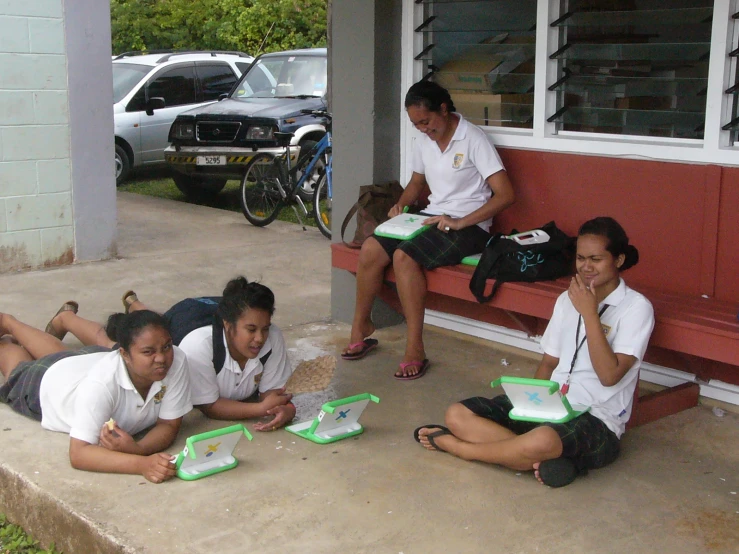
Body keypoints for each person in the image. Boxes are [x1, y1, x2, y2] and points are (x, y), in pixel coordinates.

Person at [413, 217, 654, 487]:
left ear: (618, 260)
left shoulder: (636, 308)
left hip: (596, 419)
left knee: (542, 439)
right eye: (580, 258)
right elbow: (549, 362)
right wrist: (531, 407)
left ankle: (462, 449)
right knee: (458, 415)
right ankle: (535, 457)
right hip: (551, 405)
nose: (586, 267)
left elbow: (610, 376)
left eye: (596, 259)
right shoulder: (567, 299)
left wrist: (589, 313)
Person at [341, 80, 515, 379]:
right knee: (371, 247)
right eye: (415, 124)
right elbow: (417, 183)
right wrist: (401, 206)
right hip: (431, 218)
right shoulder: (424, 141)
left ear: (444, 109)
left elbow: (506, 195)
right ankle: (362, 326)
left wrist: (461, 221)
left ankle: (415, 348)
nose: (422, 128)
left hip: (470, 226)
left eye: (426, 121)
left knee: (404, 258)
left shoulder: (473, 138)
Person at [46, 277, 296, 431]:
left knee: (149, 323)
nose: (260, 338)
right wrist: (262, 408)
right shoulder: (197, 346)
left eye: (265, 328)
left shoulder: (271, 337)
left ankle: (134, 304)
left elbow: (273, 392)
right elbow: (209, 406)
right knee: (112, 340)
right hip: (186, 319)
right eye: (251, 329)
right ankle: (66, 318)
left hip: (196, 323)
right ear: (228, 326)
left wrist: (282, 407)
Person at [0, 310, 192, 484]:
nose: (161, 358)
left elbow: (168, 425)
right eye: (148, 352)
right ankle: (7, 326)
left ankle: (17, 323)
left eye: (166, 347)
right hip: (49, 383)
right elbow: (79, 453)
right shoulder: (101, 384)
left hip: (87, 361)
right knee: (17, 366)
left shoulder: (176, 360)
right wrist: (142, 464)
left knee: (64, 356)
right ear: (124, 354)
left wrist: (137, 449)